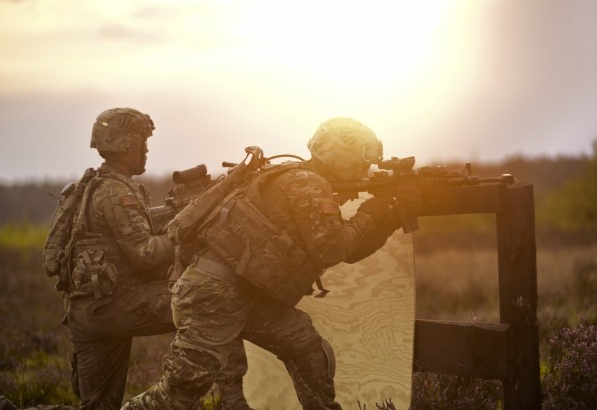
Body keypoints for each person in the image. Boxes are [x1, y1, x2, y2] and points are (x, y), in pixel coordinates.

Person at [121, 117, 404, 409]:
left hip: (247, 294)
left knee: (306, 347)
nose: (365, 167)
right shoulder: (308, 183)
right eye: (362, 159)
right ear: (342, 154)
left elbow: (349, 249)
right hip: (214, 297)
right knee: (180, 391)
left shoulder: (296, 177)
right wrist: (370, 215)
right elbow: (331, 249)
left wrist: (386, 219)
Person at [0, 108, 251, 410]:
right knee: (212, 301)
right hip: (119, 304)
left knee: (97, 408)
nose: (146, 150)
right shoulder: (116, 192)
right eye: (141, 143)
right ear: (125, 146)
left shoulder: (94, 185)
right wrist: (181, 230)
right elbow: (145, 254)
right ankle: (233, 402)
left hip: (85, 313)